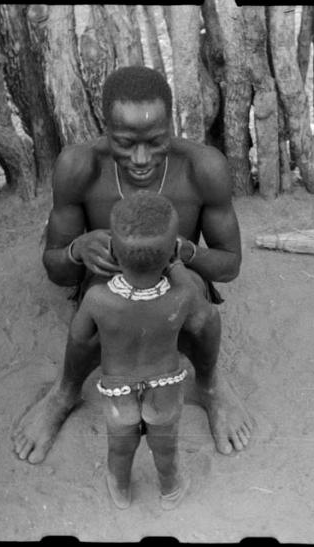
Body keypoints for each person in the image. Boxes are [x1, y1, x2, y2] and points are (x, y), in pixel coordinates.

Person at [11, 65, 253, 465]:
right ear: (105, 130)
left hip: (179, 283)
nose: (141, 158)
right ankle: (65, 393)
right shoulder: (79, 167)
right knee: (96, 300)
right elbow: (56, 270)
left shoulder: (203, 168)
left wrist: (185, 253)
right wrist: (77, 251)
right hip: (106, 285)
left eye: (155, 142)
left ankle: (209, 386)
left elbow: (229, 266)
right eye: (125, 143)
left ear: (171, 126)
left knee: (196, 302)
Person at [71, 191, 216, 509]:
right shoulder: (182, 296)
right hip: (165, 384)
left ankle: (121, 489)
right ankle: (170, 490)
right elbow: (203, 314)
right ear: (170, 254)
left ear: (112, 251)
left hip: (117, 388)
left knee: (120, 446)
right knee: (165, 447)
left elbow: (81, 337)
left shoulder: (97, 299)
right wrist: (175, 261)